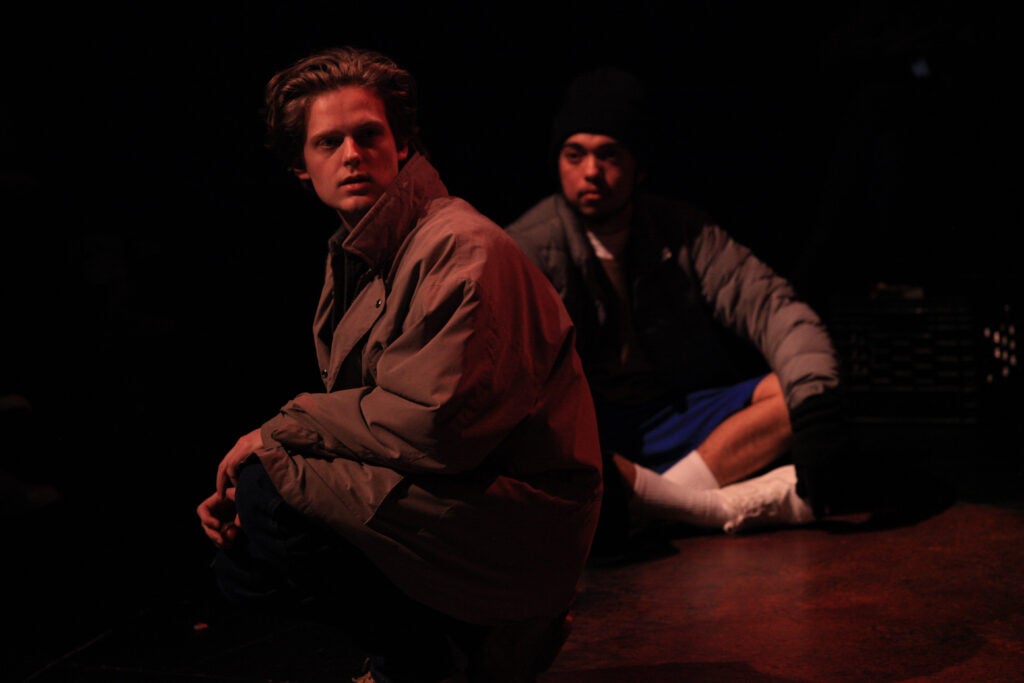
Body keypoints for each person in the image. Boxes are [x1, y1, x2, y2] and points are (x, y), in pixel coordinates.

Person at [195, 46, 603, 683]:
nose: (351, 155)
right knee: (242, 556)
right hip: (458, 494)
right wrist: (279, 446)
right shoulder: (361, 252)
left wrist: (280, 431)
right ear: (301, 165)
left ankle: (458, 645)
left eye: (369, 135)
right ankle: (438, 647)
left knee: (271, 496)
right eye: (328, 142)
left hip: (516, 516)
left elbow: (434, 426)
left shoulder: (459, 249)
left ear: (402, 144)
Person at [506, 66, 858, 557]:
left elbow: (771, 305)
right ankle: (707, 507)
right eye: (575, 154)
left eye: (610, 154)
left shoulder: (680, 230)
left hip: (671, 416)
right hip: (592, 428)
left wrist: (816, 407)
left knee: (796, 393)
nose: (591, 171)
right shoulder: (526, 247)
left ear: (639, 167)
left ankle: (661, 507)